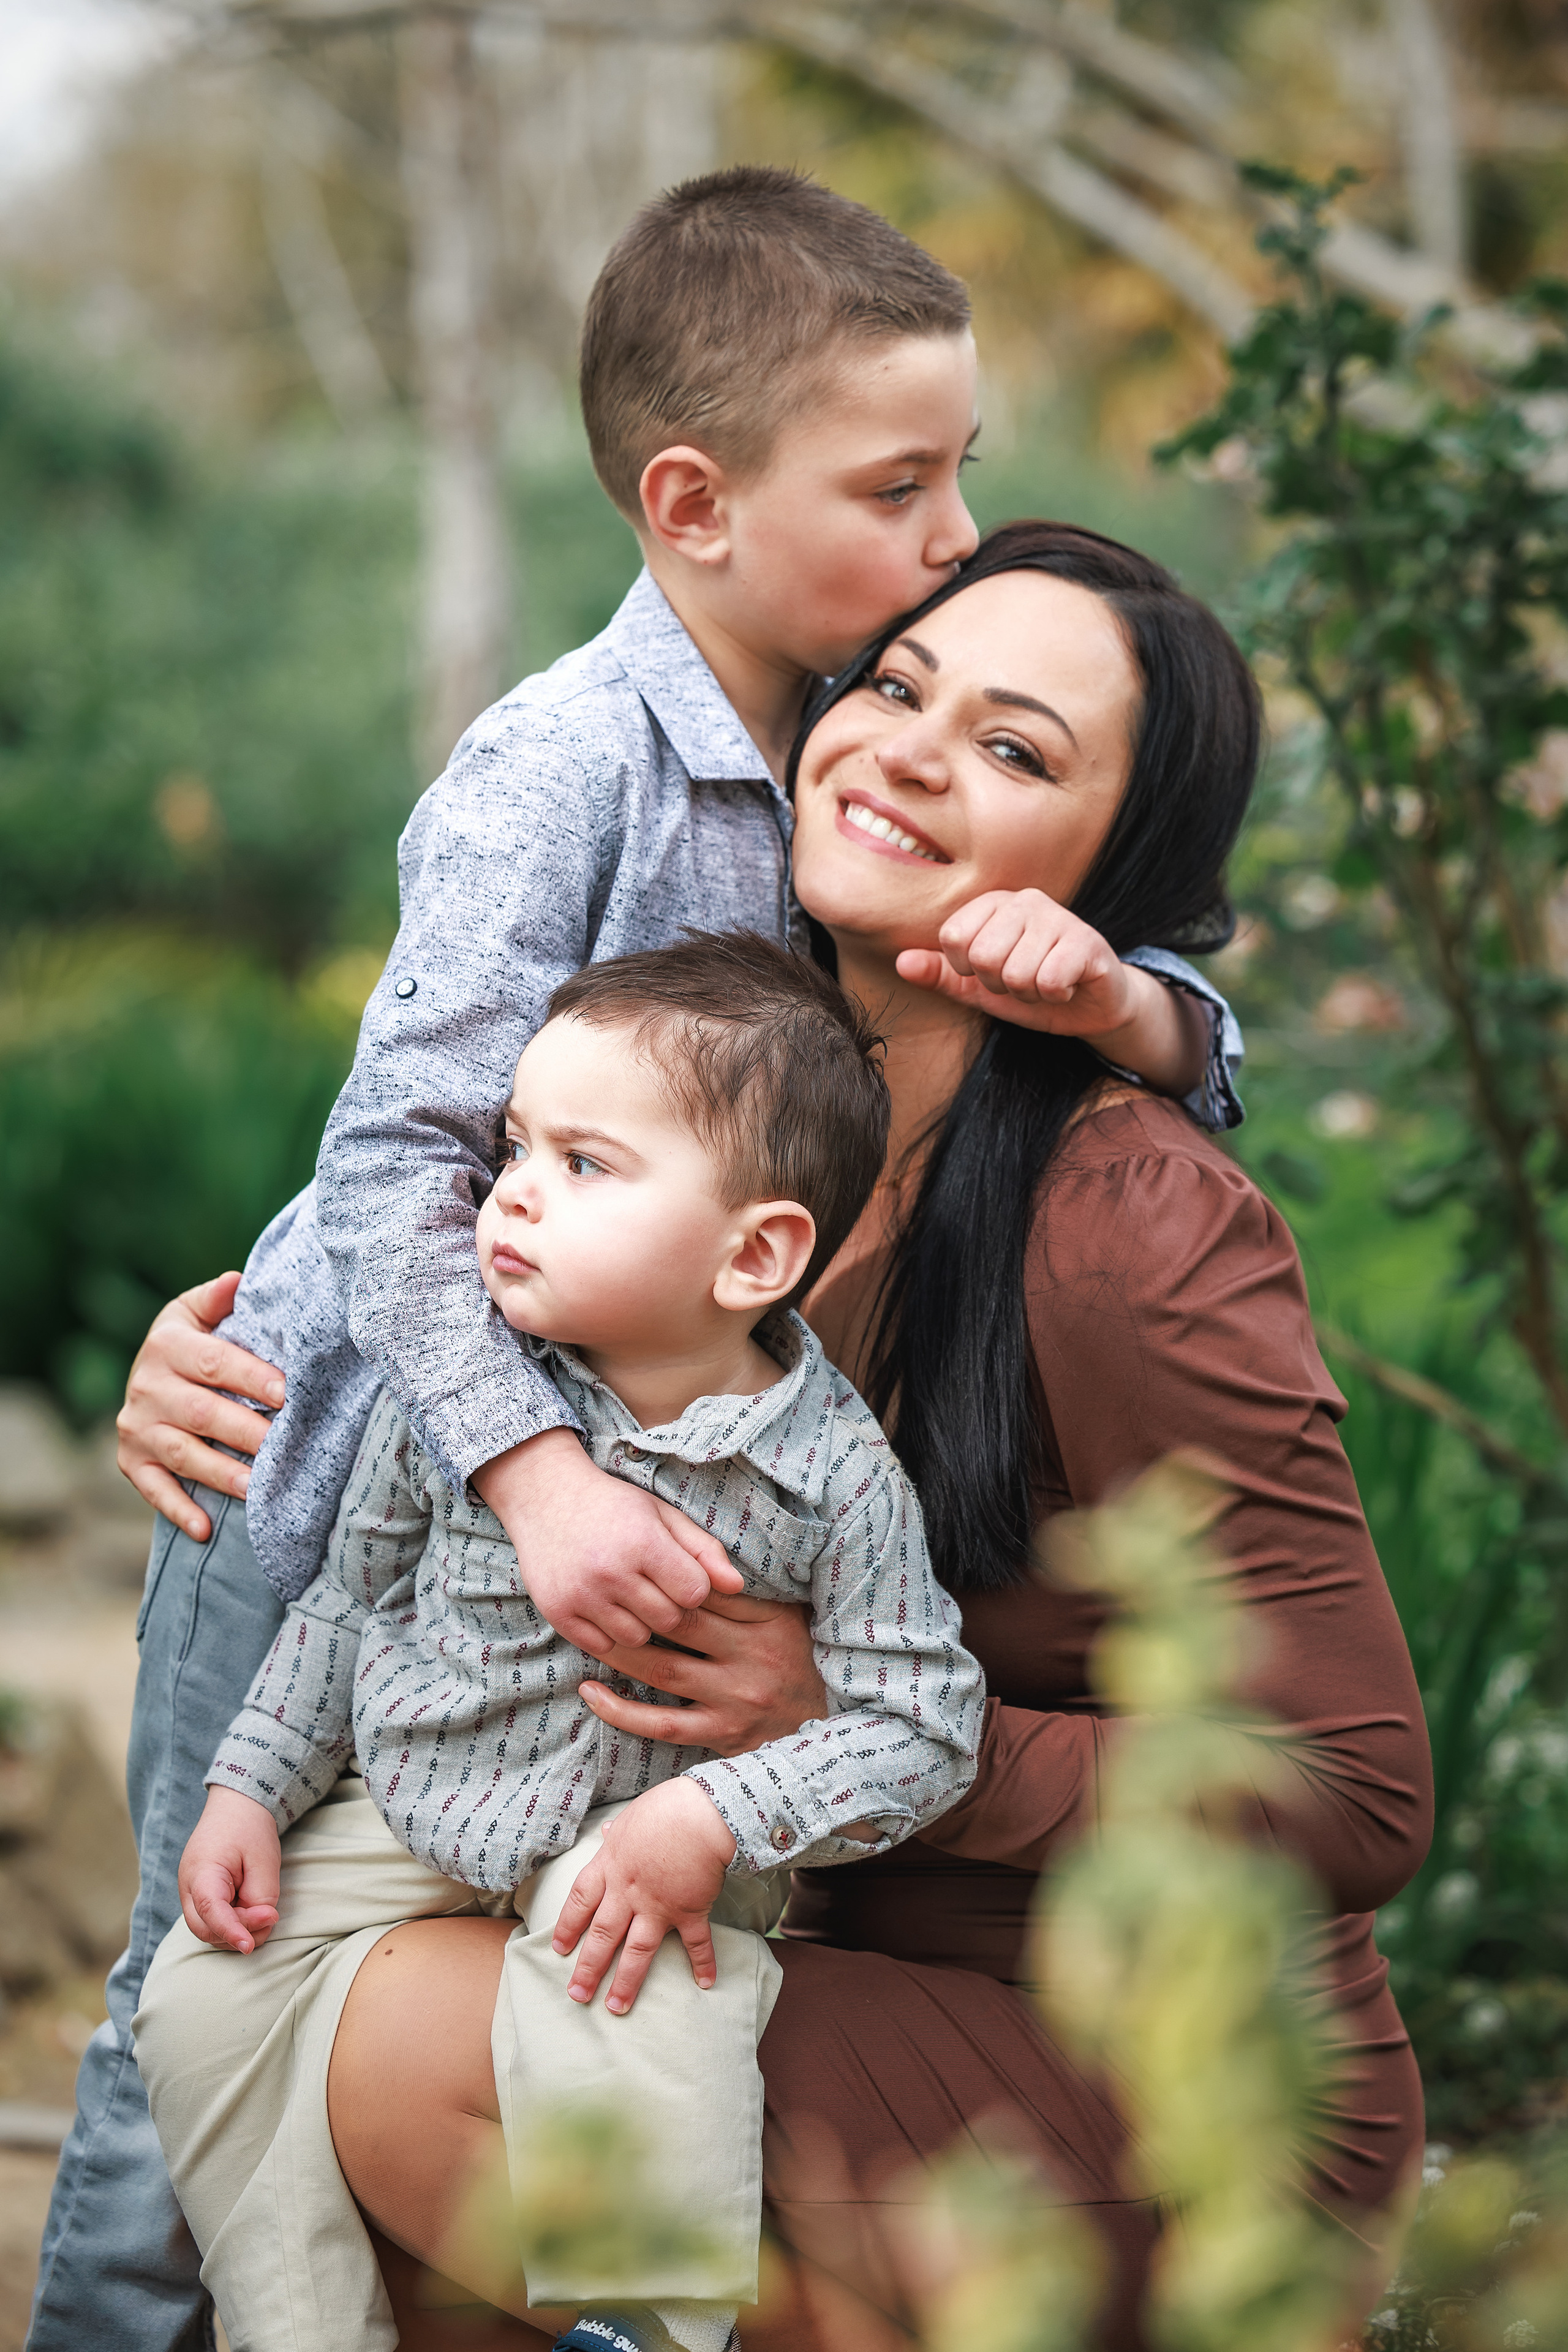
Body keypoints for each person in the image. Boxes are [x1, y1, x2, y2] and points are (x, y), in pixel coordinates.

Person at [31, 169, 1245, 2352]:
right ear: (695, 502)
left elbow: (1172, 1022)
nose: (963, 529)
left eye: (961, 467)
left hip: (558, 1528)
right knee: (194, 1979)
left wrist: (1140, 1009)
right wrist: (534, 1476)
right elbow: (401, 1159)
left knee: (495, 1963)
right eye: (906, 483)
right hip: (331, 1477)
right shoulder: (562, 766)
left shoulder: (833, 757)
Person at [319, 523, 1433, 2351]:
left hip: (1163, 2091)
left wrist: (856, 1725)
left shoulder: (1128, 1225)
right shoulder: (723, 1109)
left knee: (419, 2040)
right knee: (320, 2012)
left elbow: (1362, 1789)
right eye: (899, 688)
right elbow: (429, 1266)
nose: (909, 747)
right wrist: (216, 1376)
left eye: (1015, 749)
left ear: (1106, 873)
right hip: (833, 1948)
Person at [134, 932, 985, 2352]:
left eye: (583, 1166)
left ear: (754, 1254)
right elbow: (353, 1599)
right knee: (203, 1994)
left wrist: (715, 1818)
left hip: (640, 1846)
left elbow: (925, 1726)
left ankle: (646, 2326)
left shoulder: (833, 1476)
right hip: (419, 1788)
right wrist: (250, 1790)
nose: (512, 1193)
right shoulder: (469, 1393)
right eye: (515, 1144)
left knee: (646, 2016)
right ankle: (297, 2323)